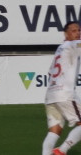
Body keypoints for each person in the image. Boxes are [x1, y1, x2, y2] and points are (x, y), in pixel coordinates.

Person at [43, 21, 81, 155]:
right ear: (66, 34)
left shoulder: (60, 48)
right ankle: (62, 150)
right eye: (73, 31)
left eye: (79, 30)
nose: (78, 33)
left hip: (51, 95)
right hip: (64, 94)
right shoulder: (73, 44)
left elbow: (50, 72)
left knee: (54, 131)